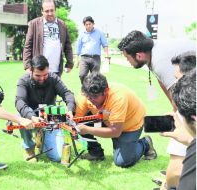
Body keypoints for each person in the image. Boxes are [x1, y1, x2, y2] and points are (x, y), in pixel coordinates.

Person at [118, 31, 195, 185]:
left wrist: (178, 117)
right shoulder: (153, 52)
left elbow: (179, 95)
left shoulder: (160, 60)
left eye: (127, 57)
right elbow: (166, 86)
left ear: (139, 55)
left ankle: (175, 176)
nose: (127, 61)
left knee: (182, 132)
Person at [75, 72, 157, 168]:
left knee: (122, 162)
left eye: (95, 97)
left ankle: (145, 143)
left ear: (105, 91)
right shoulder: (86, 94)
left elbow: (116, 131)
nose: (91, 100)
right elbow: (77, 120)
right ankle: (95, 152)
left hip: (130, 126)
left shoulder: (118, 97)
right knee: (80, 123)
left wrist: (87, 129)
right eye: (88, 97)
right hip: (108, 120)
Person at [15, 55, 75, 162]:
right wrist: (32, 116)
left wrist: (69, 109)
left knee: (58, 157)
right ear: (31, 70)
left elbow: (67, 93)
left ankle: (41, 137)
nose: (42, 78)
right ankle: (29, 148)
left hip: (50, 119)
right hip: (30, 117)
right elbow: (19, 101)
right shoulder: (23, 81)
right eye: (38, 75)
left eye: (45, 75)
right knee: (20, 116)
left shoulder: (54, 78)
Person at [157, 52, 196, 190]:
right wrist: (189, 141)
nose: (175, 85)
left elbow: (174, 174)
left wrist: (166, 185)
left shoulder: (187, 113)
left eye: (179, 79)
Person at [23, 0, 73, 77]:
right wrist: (27, 66)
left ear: (55, 10)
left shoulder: (62, 25)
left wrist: (69, 63)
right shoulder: (34, 24)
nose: (50, 13)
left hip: (56, 71)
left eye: (52, 10)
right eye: (47, 11)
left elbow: (68, 46)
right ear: (42, 11)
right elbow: (27, 46)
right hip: (39, 71)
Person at [75, 16, 109, 83]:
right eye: (86, 24)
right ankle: (85, 89)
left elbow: (105, 45)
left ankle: (93, 92)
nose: (88, 26)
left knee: (95, 78)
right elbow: (78, 47)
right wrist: (76, 60)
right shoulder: (81, 34)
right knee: (82, 75)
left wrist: (106, 57)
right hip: (84, 58)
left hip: (95, 58)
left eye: (90, 24)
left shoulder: (99, 33)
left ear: (93, 24)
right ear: (84, 25)